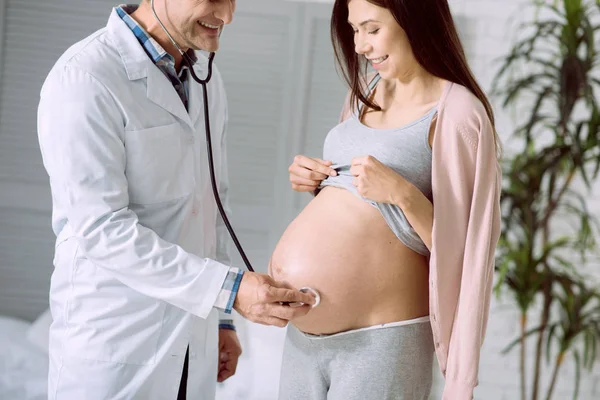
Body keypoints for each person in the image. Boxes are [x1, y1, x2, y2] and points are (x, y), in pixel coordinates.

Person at [36, 1, 316, 399]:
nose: (228, 15)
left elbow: (211, 206)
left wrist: (221, 320)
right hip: (118, 345)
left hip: (192, 345)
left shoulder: (204, 78)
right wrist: (230, 291)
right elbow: (100, 230)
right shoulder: (85, 77)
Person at [270, 0, 502, 399]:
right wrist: (316, 182)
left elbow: (470, 253)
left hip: (383, 342)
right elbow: (357, 206)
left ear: (415, 19)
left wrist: (404, 195)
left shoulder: (458, 113)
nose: (359, 45)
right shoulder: (365, 93)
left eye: (371, 29)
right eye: (354, 30)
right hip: (304, 342)